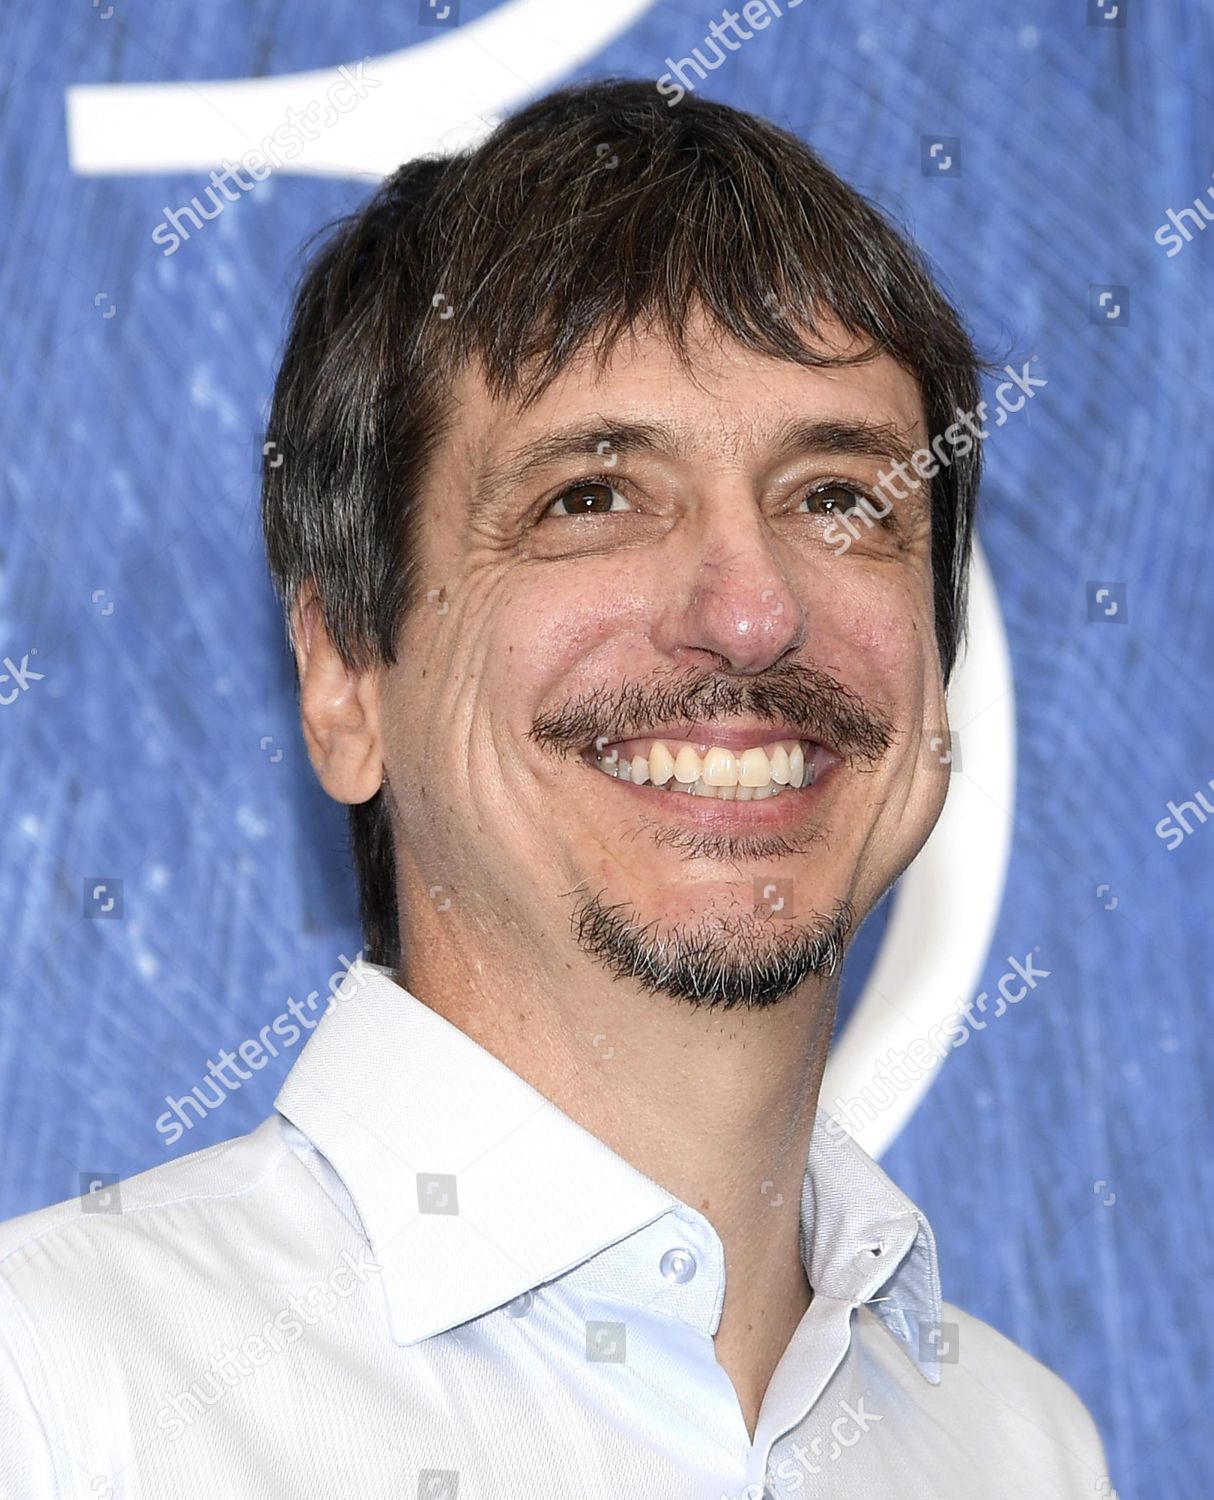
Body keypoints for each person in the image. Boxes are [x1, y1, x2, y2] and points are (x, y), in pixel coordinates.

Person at [0, 79, 1111, 1498]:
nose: (751, 610)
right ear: (346, 675)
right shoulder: (51, 1396)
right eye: (590, 495)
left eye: (837, 496)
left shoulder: (1019, 1448)